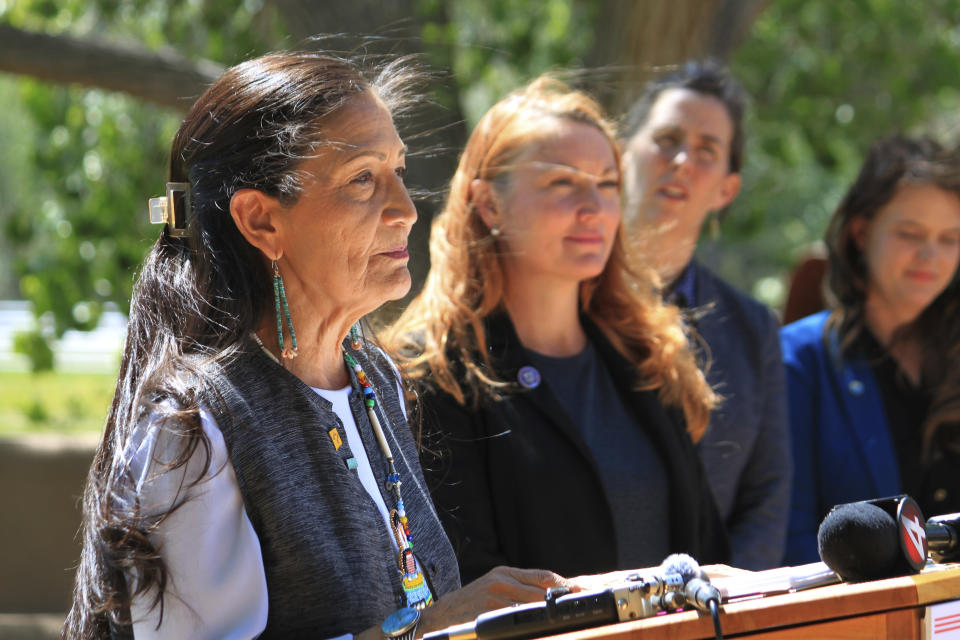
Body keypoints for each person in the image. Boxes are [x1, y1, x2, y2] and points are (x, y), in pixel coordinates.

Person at [63, 51, 570, 640]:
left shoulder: (373, 380)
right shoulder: (194, 429)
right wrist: (424, 633)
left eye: (399, 172)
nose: (406, 210)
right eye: (362, 178)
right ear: (261, 222)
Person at [384, 76, 730, 585]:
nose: (593, 206)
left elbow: (708, 553)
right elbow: (463, 586)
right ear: (489, 204)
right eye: (562, 183)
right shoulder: (430, 375)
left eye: (607, 183)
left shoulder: (649, 355)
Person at [619, 60, 791, 570]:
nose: (681, 160)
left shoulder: (753, 329)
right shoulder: (559, 299)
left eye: (706, 151)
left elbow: (767, 498)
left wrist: (724, 607)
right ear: (624, 152)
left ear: (726, 189)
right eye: (666, 137)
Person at [780, 135, 960, 564]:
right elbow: (788, 539)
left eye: (950, 238)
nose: (929, 255)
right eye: (910, 233)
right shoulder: (799, 360)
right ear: (861, 232)